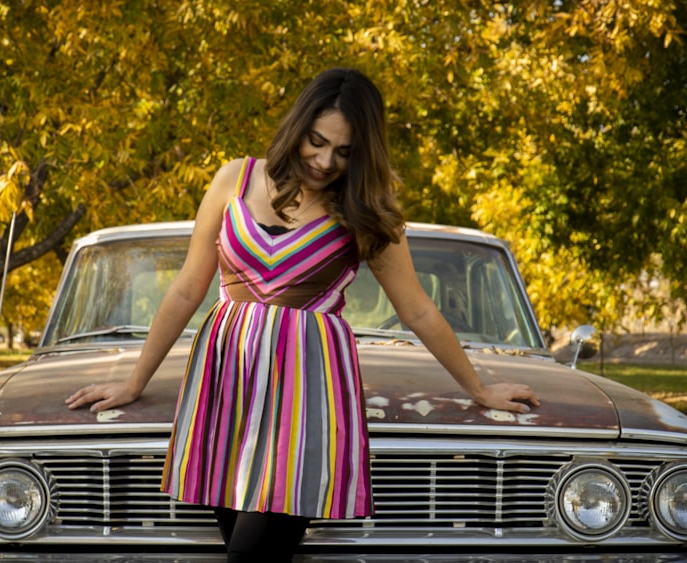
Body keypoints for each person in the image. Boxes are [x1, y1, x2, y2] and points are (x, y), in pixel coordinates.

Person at [66, 67, 540, 561]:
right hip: (225, 385)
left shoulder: (364, 210)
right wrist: (134, 382)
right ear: (299, 125)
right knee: (245, 551)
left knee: (252, 556)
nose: (324, 160)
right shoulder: (236, 178)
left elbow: (418, 309)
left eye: (344, 151)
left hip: (306, 398)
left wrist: (479, 387)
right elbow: (187, 289)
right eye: (317, 141)